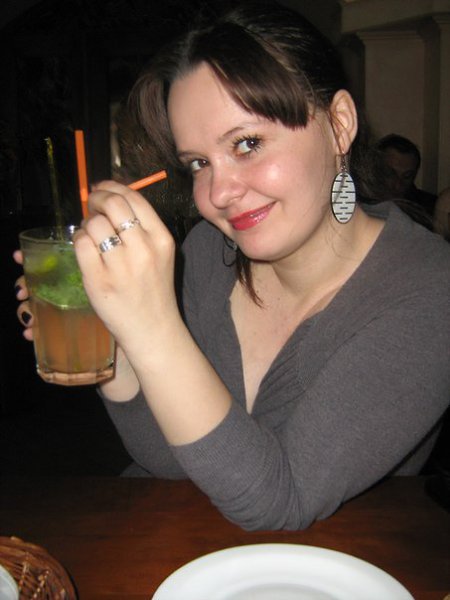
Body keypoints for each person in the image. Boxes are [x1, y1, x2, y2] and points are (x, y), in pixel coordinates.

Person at [14, 0, 450, 531]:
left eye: (247, 143)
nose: (218, 193)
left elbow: (281, 500)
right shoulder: (208, 253)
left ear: (339, 125)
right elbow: (170, 460)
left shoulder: (431, 290)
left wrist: (153, 326)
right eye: (199, 163)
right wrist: (119, 343)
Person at [374, 133, 437, 228]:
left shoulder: (428, 209)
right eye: (390, 174)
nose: (398, 184)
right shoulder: (358, 205)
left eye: (407, 176)